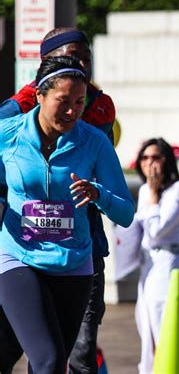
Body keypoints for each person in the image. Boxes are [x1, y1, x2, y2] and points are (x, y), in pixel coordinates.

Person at [0, 56, 134, 373]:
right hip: (18, 256)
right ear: (39, 96)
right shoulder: (8, 134)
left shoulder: (94, 142)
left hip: (74, 263)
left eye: (79, 101)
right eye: (64, 101)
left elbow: (126, 212)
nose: (73, 111)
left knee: (51, 363)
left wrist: (98, 194)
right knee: (47, 360)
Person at [133, 138, 179, 374]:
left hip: (169, 264)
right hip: (148, 264)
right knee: (146, 327)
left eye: (155, 157)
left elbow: (157, 231)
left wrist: (155, 196)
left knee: (164, 327)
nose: (149, 163)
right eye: (145, 157)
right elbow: (139, 227)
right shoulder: (144, 189)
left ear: (166, 159)